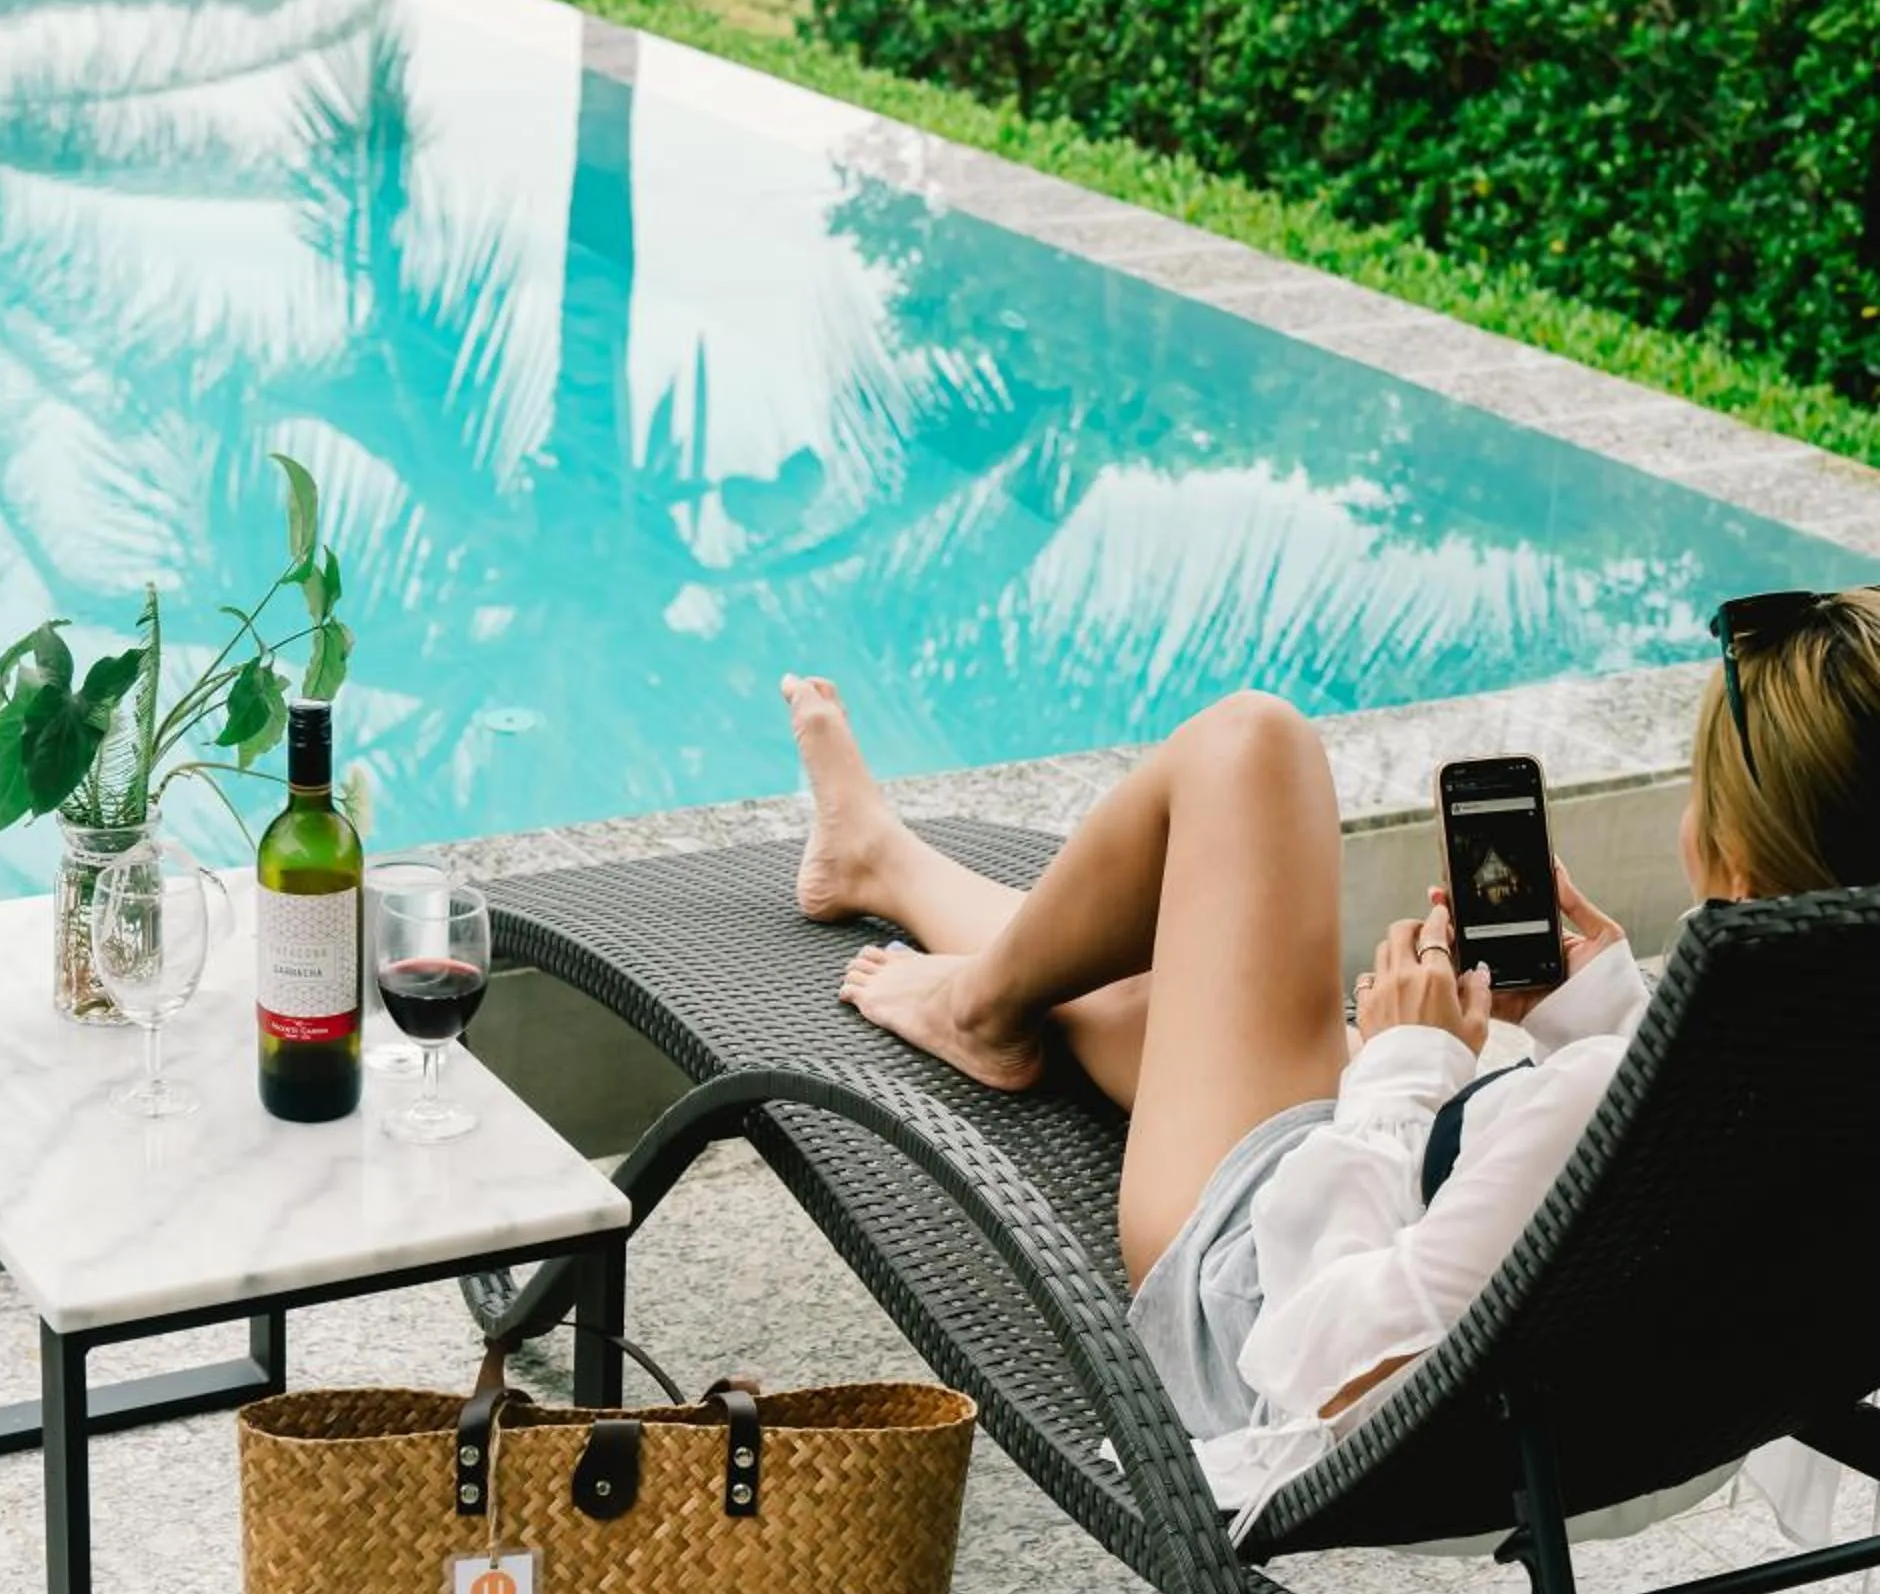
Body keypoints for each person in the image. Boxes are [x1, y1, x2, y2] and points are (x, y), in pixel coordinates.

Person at [779, 587, 1880, 1527]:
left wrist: (1402, 1071)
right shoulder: (1819, 1047)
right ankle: (895, 875)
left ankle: (977, 999)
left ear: (1725, 848)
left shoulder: (1603, 1108)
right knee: (1183, 996)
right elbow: (1679, 1146)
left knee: (1248, 748)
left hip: (1270, 1318)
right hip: (1600, 1390)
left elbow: (1323, 1367)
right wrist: (1592, 1009)